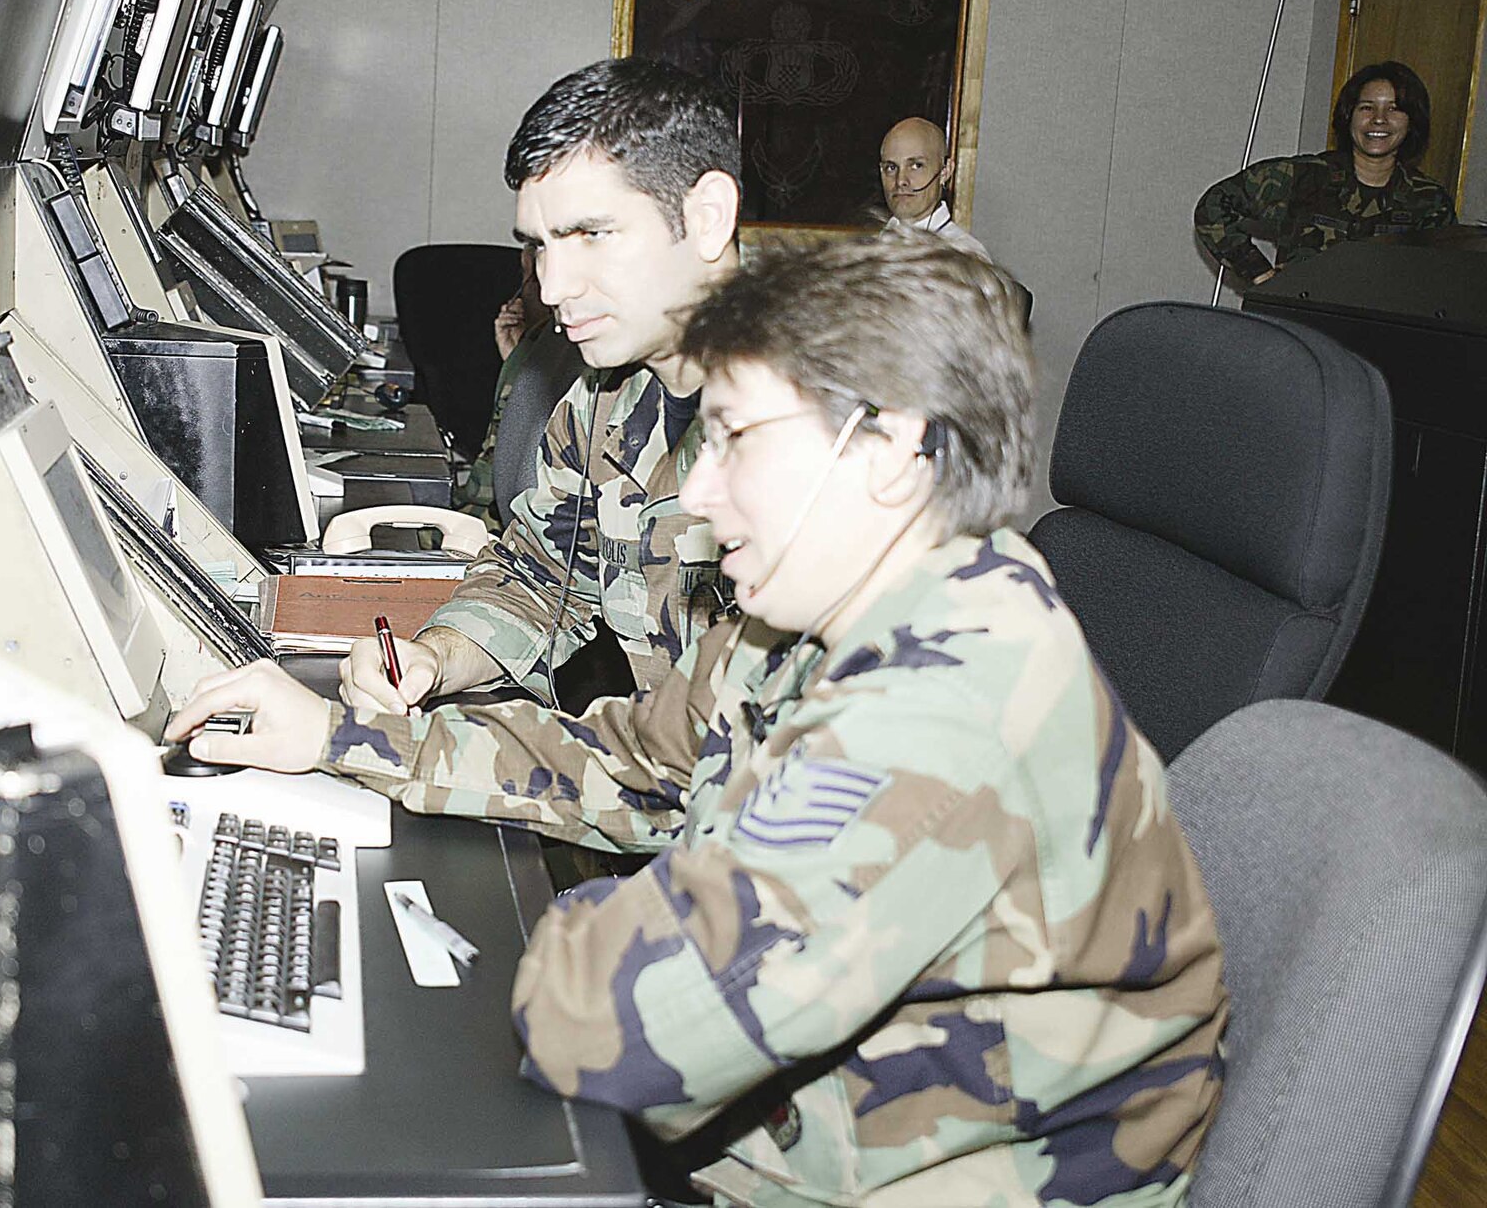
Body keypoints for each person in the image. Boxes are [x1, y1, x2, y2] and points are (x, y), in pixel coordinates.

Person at [168, 234, 1228, 1204]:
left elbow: (603, 1022)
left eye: (738, 442)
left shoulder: (940, 711)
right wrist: (340, 737)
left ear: (888, 447)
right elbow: (634, 759)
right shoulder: (824, 616)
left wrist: (589, 916)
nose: (702, 496)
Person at [341, 57, 742, 713]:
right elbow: (539, 576)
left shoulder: (831, 428)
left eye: (591, 235)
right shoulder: (603, 399)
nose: (552, 288)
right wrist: (434, 658)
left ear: (707, 218)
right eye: (540, 247)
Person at [1195, 59, 1456, 286]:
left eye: (1394, 108)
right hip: (1297, 321)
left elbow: (1442, 279)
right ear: (1349, 115)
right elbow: (1213, 206)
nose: (1379, 119)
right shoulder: (1305, 176)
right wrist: (1259, 272)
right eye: (1366, 107)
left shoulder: (1429, 201)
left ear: (1412, 122)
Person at [452, 247, 562, 524]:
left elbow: (491, 497)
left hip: (500, 529)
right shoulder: (543, 350)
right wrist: (516, 360)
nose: (520, 294)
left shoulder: (562, 354)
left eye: (527, 279)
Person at [877, 116, 990, 260]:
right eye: (891, 168)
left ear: (945, 172)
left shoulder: (963, 255)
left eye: (916, 166)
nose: (900, 181)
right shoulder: (875, 244)